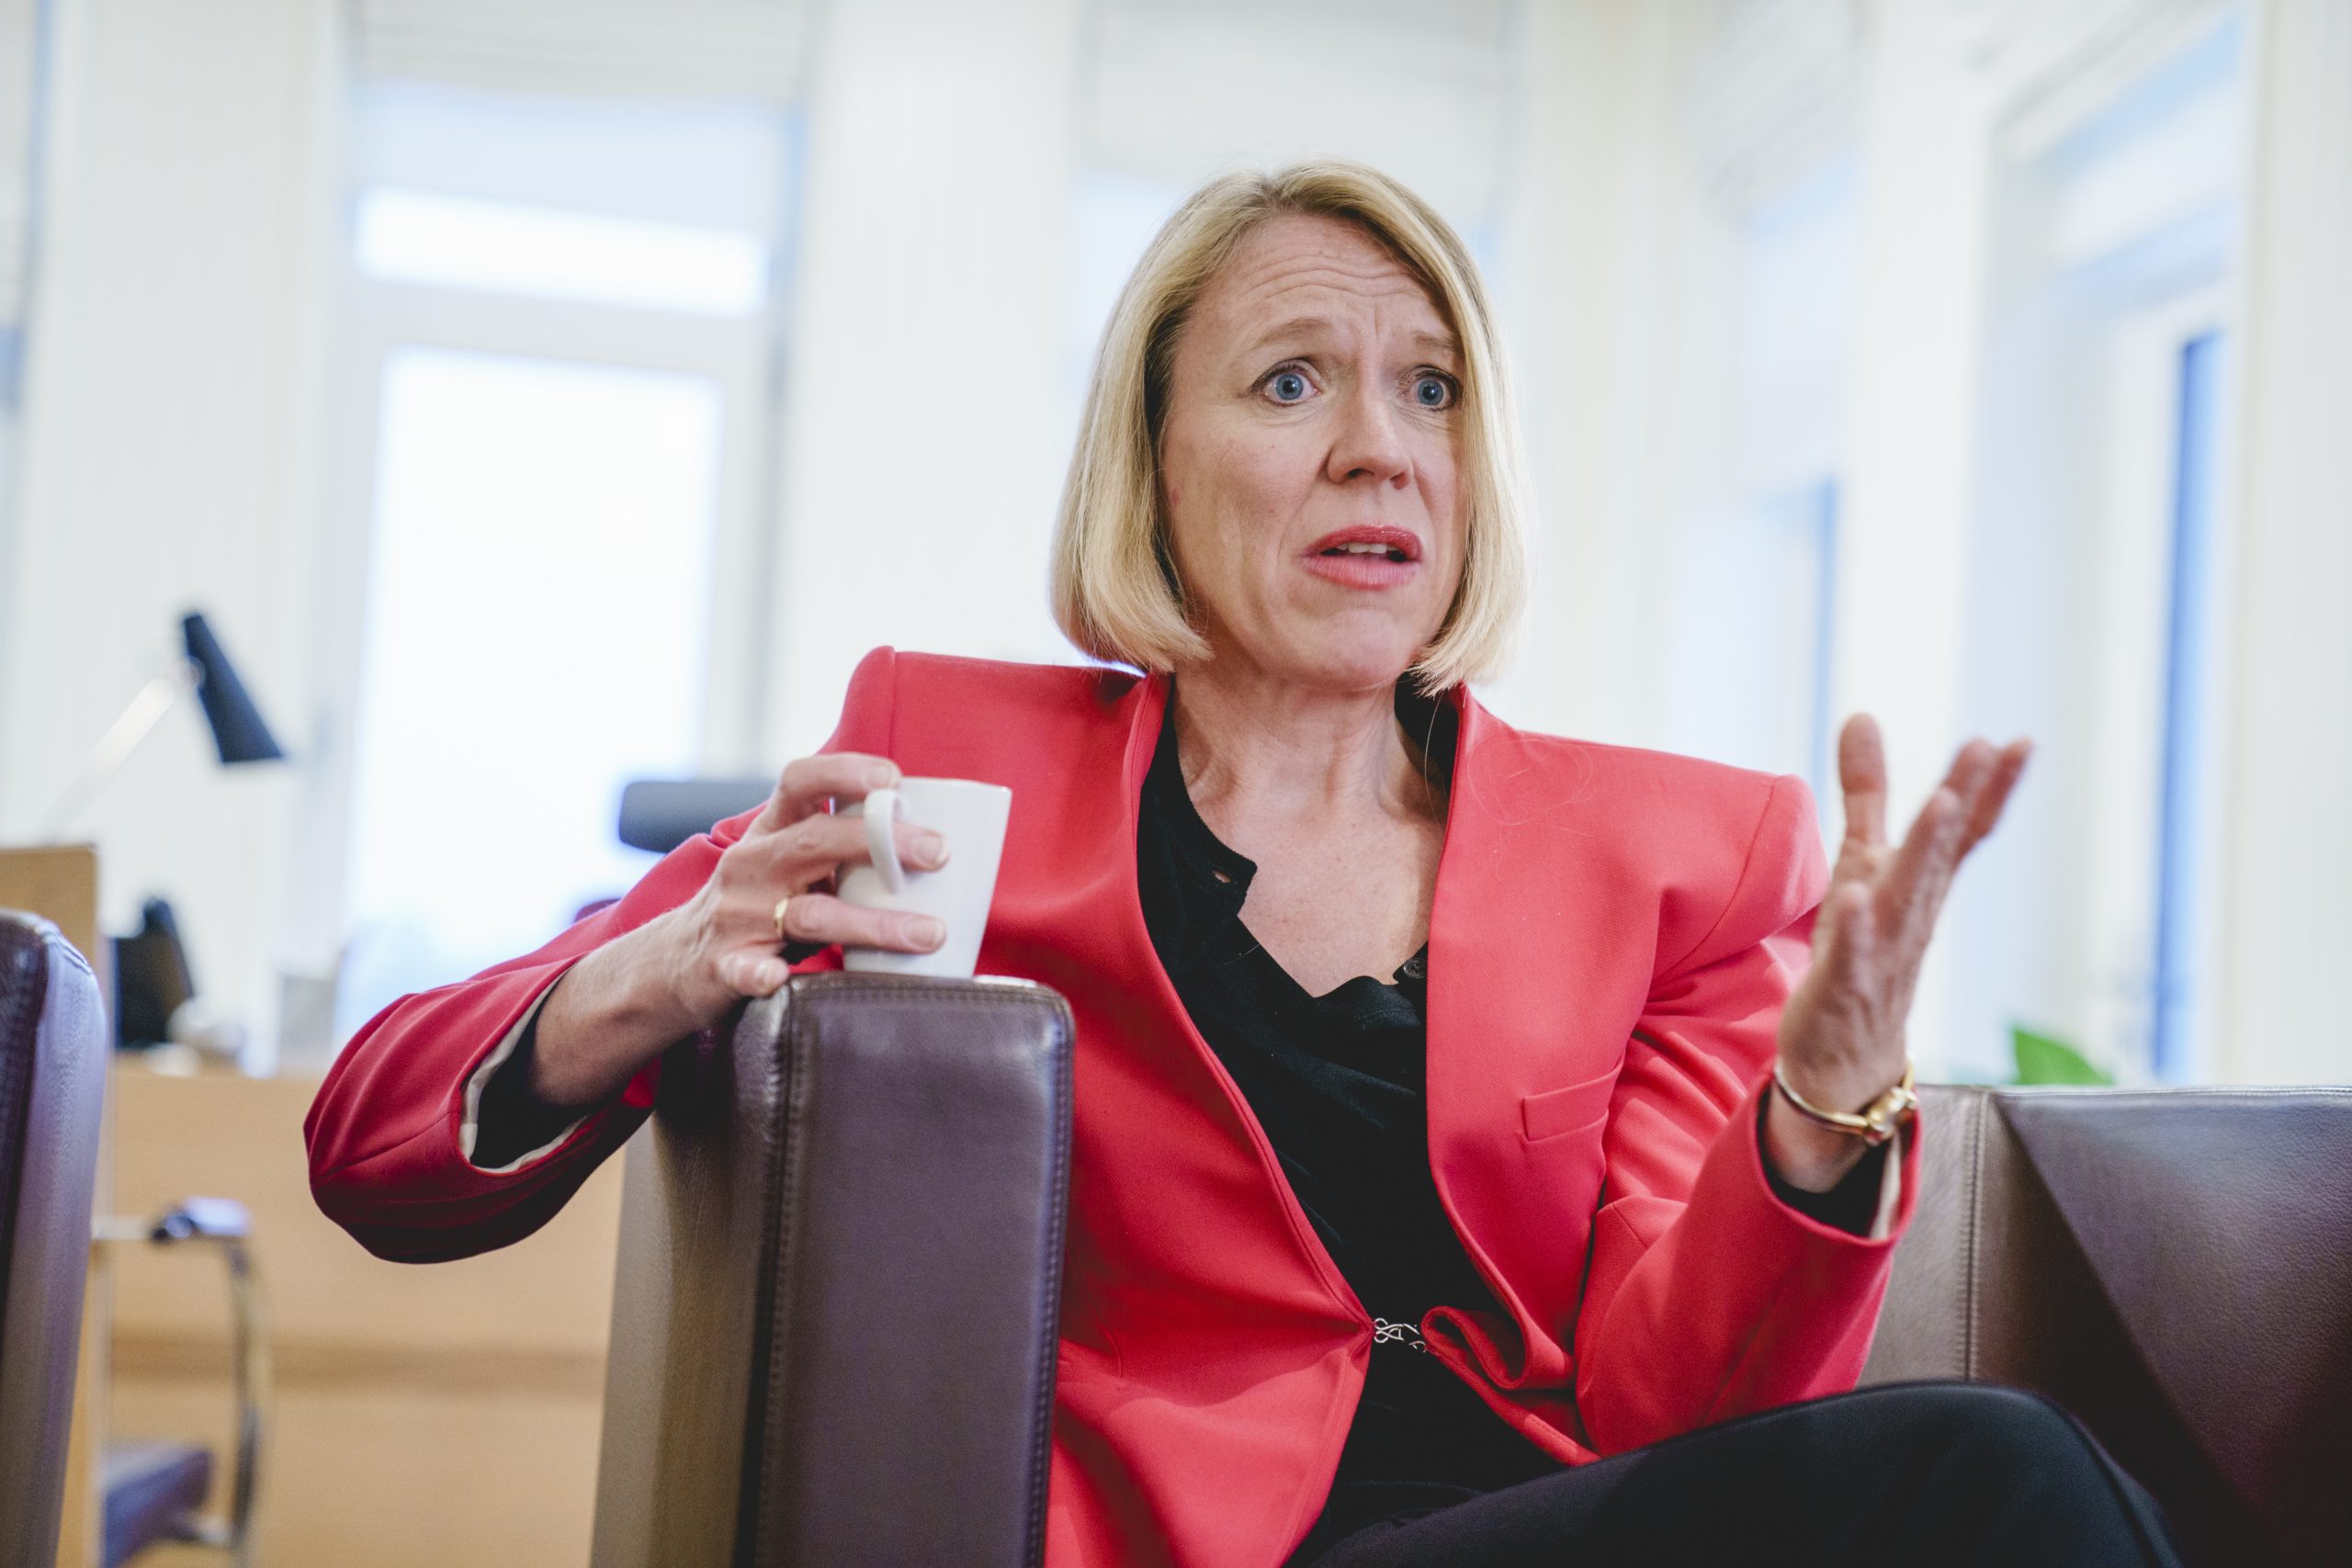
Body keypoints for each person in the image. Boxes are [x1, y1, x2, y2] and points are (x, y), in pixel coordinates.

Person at [305, 162, 2177, 1567]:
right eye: (1291, 384)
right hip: (1188, 1542)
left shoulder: (1685, 854)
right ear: (1152, 461)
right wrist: (658, 968)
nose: (1379, 448)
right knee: (1998, 1475)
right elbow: (369, 1145)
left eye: (1431, 390)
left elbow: (1685, 1414)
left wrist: (1823, 1106)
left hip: (1538, 1519)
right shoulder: (948, 766)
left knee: (1992, 1476)